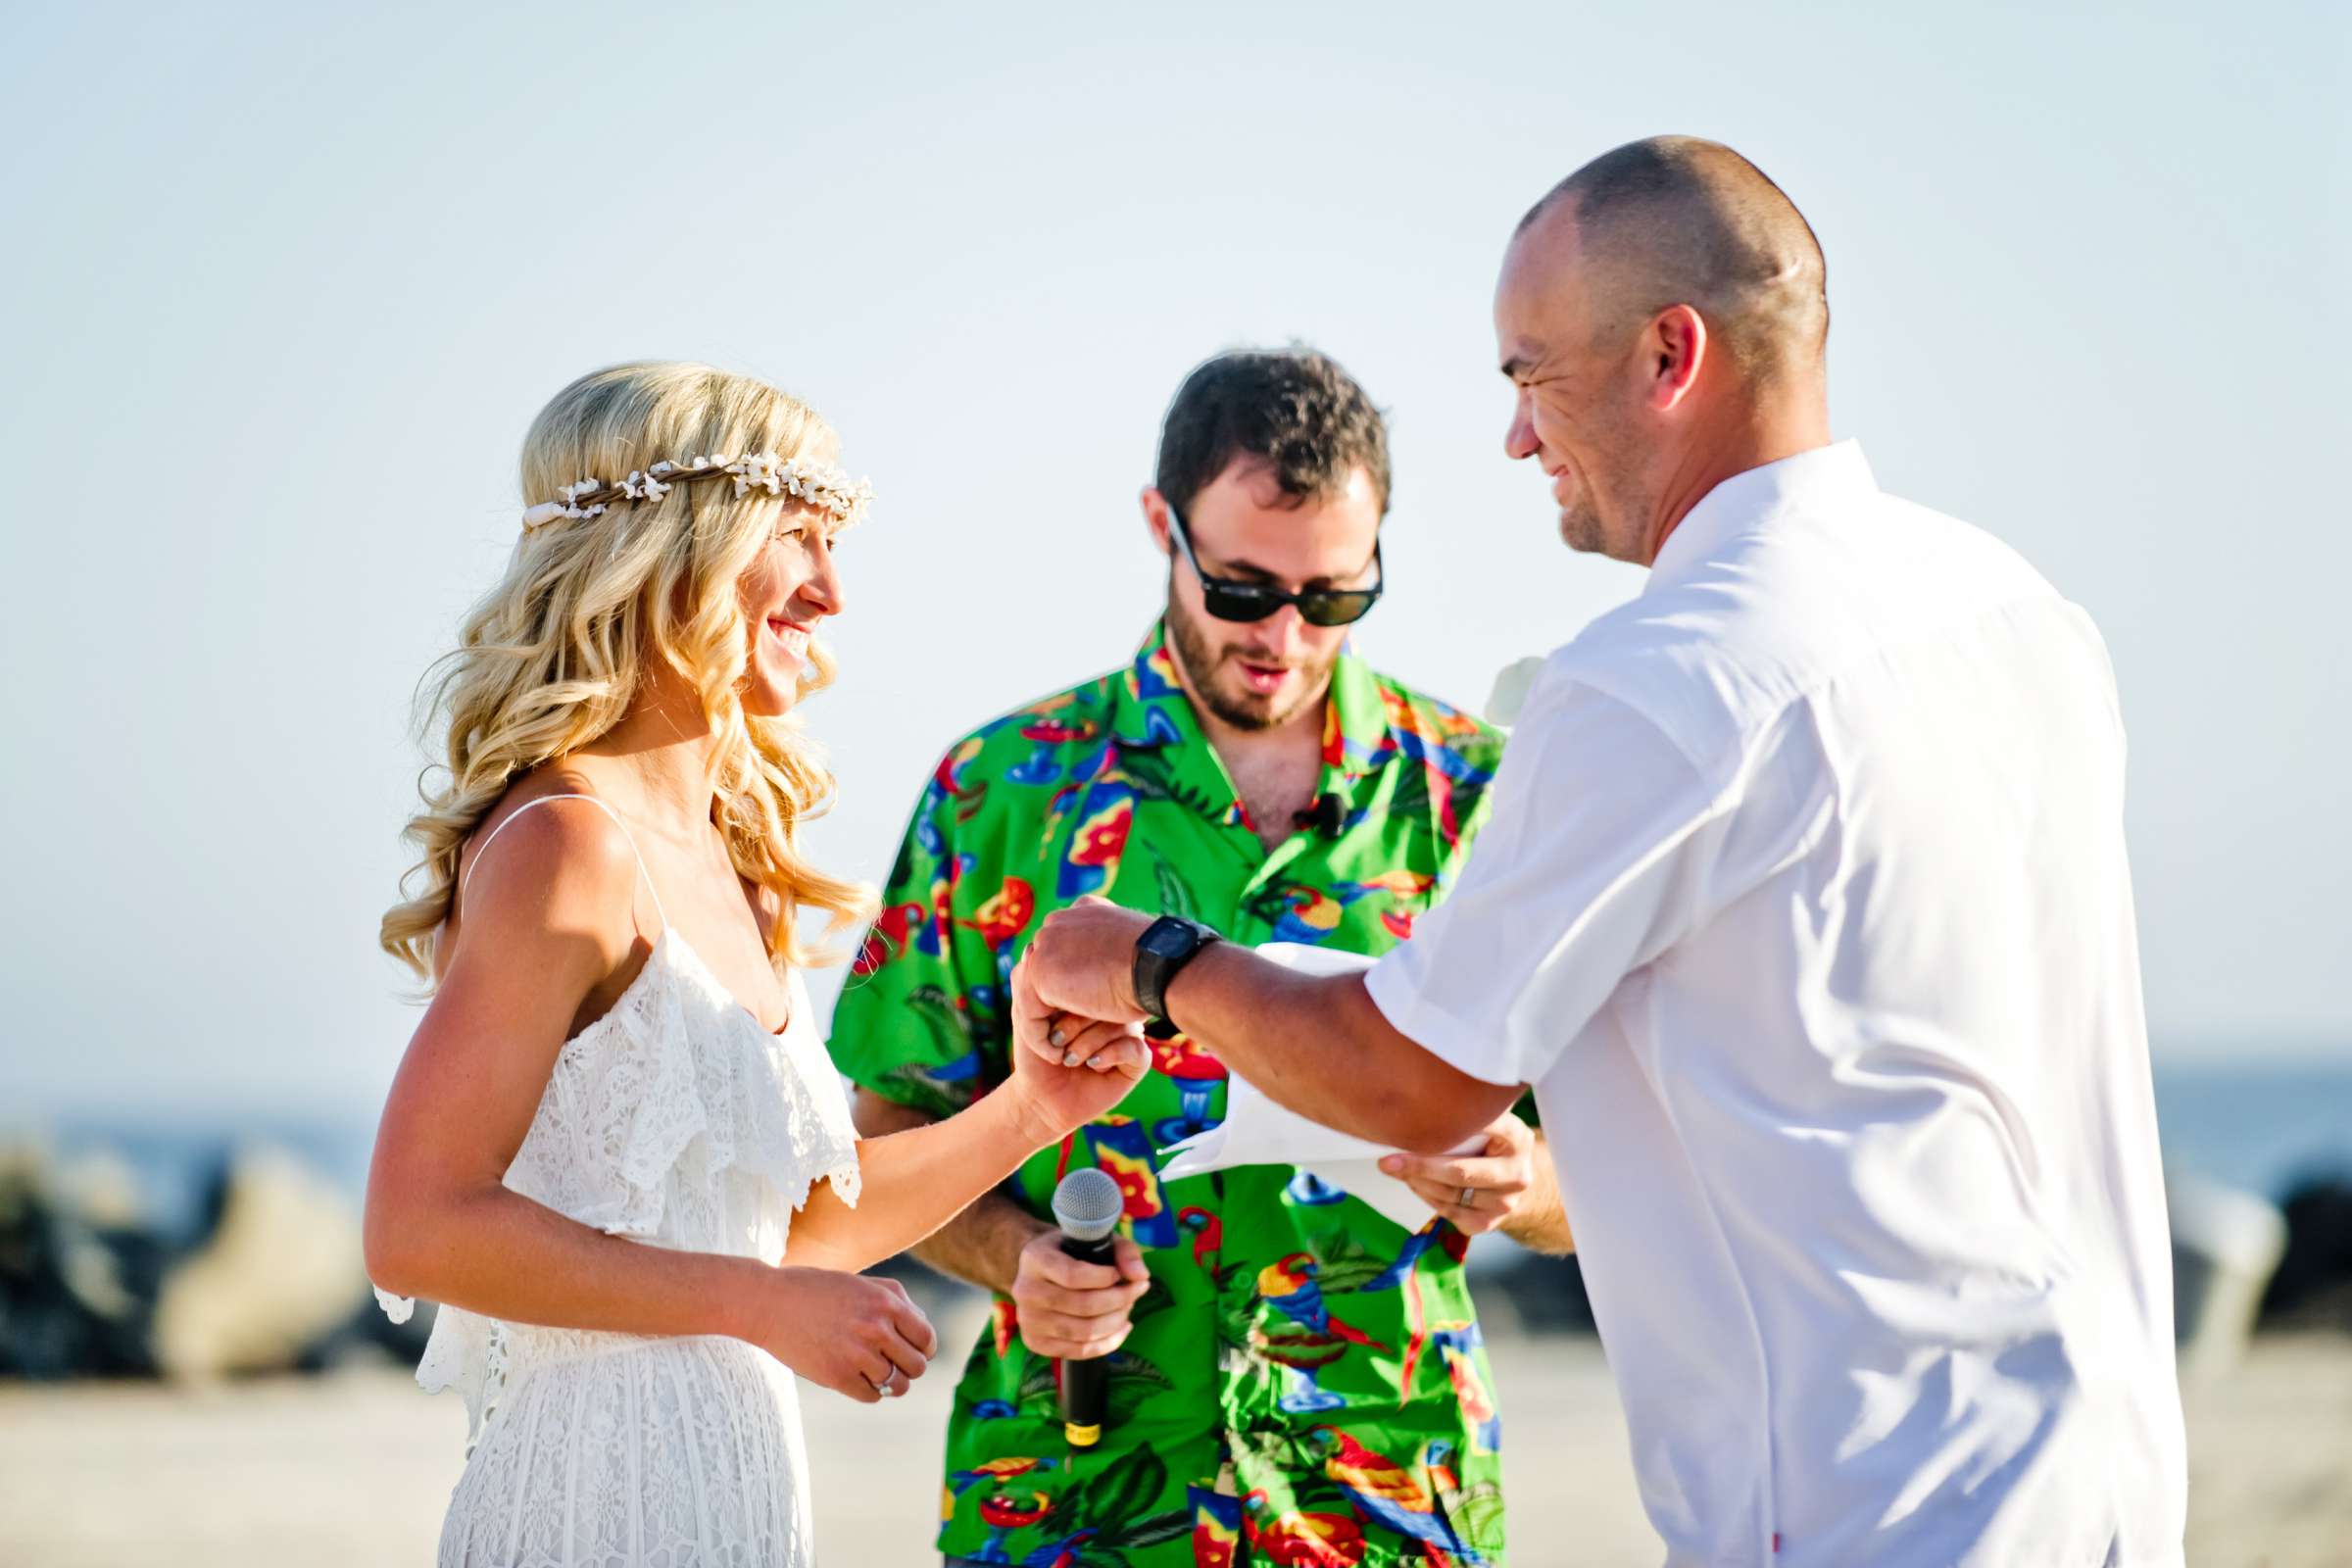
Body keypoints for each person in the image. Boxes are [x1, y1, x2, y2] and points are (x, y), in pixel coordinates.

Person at [1016, 139, 2188, 1566]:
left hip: (1873, 1510)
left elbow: (1409, 1078)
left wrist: (1144, 957)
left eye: (1528, 375)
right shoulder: (2018, 608)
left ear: (1668, 355)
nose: (1515, 437)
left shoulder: (1665, 678)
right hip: (2102, 1478)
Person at [362, 361, 1149, 1568]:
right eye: (802, 538)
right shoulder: (568, 846)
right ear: (676, 548)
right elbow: (416, 1224)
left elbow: (795, 1233)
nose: (833, 593)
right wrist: (755, 1305)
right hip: (589, 1508)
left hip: (734, 1505)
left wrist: (1036, 1108)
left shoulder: (739, 860)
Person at [831, 346, 1572, 1565]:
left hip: (1387, 1491)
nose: (1284, 634)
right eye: (1241, 588)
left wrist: (1527, 1188)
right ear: (1159, 528)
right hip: (1077, 1487)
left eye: (1333, 596)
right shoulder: (1000, 790)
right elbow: (880, 1140)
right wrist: (1017, 1257)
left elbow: (1610, 1164)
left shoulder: (1479, 798)